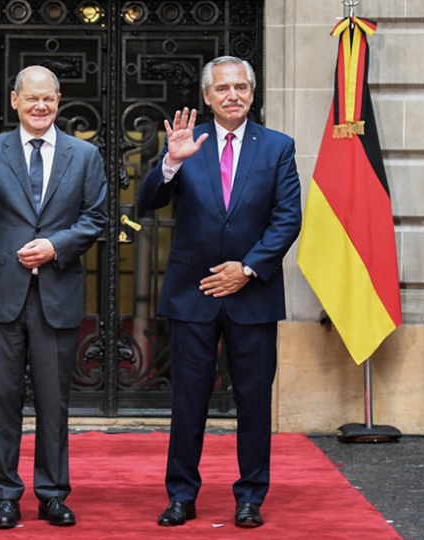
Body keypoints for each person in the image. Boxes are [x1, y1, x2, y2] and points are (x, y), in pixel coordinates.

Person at [0, 66, 107, 529]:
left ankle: (53, 494)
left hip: (57, 290)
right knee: (3, 398)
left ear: (59, 101)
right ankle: (6, 495)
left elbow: (96, 219)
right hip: (3, 293)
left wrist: (57, 245)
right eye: (31, 98)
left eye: (48, 99)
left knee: (54, 403)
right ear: (14, 101)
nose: (40, 106)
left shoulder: (85, 154)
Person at [139, 56, 302, 528]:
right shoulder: (188, 144)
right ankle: (181, 496)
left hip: (253, 294)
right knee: (188, 400)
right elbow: (148, 201)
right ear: (207, 96)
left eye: (241, 87)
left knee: (253, 402)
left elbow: (287, 218)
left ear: (252, 93)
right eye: (223, 88)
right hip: (195, 293)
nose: (233, 95)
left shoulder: (278, 147)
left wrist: (248, 268)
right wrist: (171, 161)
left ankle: (250, 495)